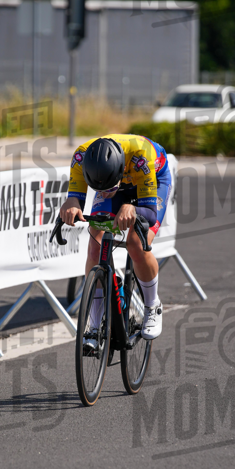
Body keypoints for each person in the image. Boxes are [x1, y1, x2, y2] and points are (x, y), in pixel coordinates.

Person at [59, 133, 171, 341]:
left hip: (151, 180)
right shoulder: (81, 157)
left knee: (136, 243)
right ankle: (94, 324)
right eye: (100, 190)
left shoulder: (141, 156)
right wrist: (72, 203)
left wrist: (133, 208)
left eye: (108, 189)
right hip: (117, 180)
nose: (105, 193)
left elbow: (150, 213)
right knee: (95, 244)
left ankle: (152, 306)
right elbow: (76, 197)